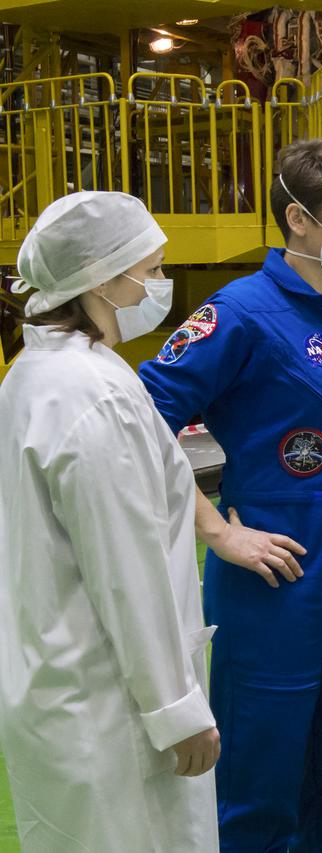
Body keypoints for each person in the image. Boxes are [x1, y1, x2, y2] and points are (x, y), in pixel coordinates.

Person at [139, 139, 322, 852]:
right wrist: (218, 531)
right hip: (275, 578)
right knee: (261, 770)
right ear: (298, 220)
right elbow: (135, 421)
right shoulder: (242, 314)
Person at [0, 192, 219, 851]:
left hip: (58, 681)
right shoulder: (90, 393)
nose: (158, 284)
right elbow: (126, 564)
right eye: (150, 270)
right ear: (103, 276)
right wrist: (173, 708)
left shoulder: (39, 374)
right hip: (113, 702)